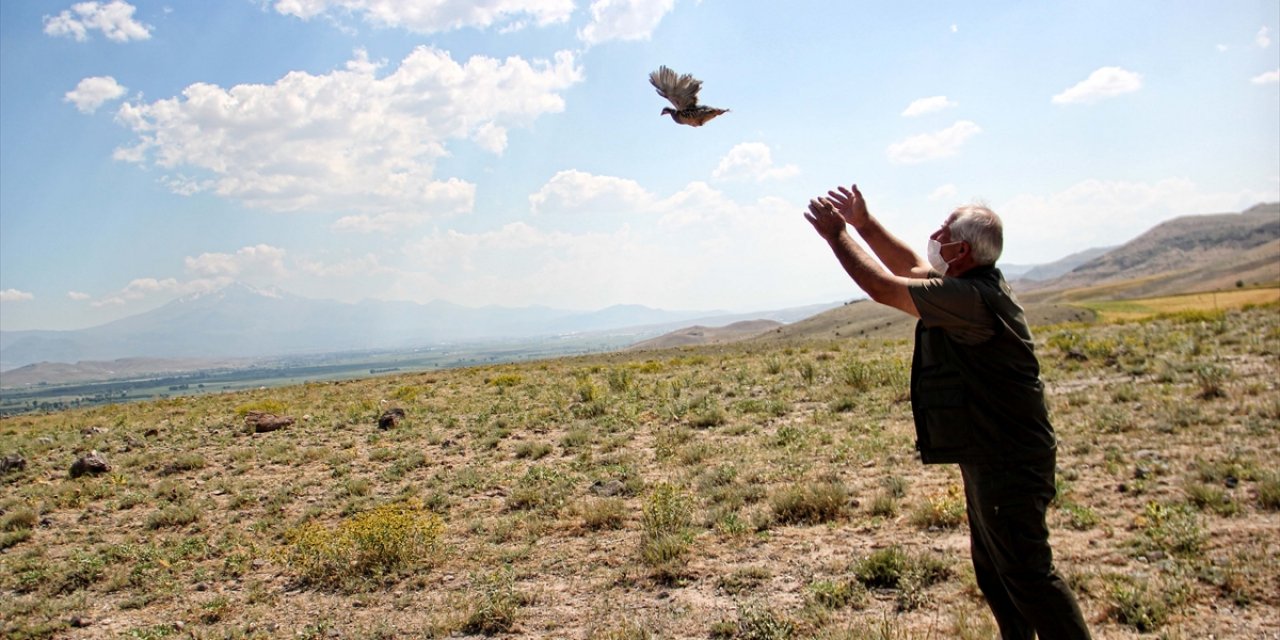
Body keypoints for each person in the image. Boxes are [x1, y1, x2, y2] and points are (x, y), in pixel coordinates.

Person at [804, 184, 1092, 640]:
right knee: (997, 572)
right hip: (993, 453)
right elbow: (908, 268)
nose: (935, 236)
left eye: (945, 232)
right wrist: (865, 224)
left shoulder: (970, 299)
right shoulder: (966, 287)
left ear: (962, 251)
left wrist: (837, 234)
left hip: (1008, 458)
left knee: (1028, 574)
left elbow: (884, 287)